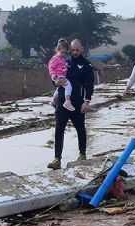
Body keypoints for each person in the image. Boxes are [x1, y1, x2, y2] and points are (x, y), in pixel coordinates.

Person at [47, 39, 94, 170]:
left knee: (80, 129)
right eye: (72, 50)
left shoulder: (86, 65)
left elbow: (89, 85)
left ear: (82, 49)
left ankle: (82, 154)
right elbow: (55, 75)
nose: (74, 52)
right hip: (62, 102)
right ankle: (57, 158)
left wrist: (87, 101)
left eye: (77, 50)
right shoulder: (64, 62)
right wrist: (55, 83)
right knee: (59, 130)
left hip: (78, 103)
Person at [48, 38, 75, 111]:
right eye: (62, 52)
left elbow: (61, 66)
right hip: (58, 76)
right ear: (57, 50)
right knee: (68, 86)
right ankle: (67, 101)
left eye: (65, 53)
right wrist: (53, 75)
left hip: (61, 75)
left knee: (58, 89)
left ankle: (53, 101)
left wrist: (66, 66)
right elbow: (51, 67)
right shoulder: (55, 58)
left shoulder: (62, 58)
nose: (63, 54)